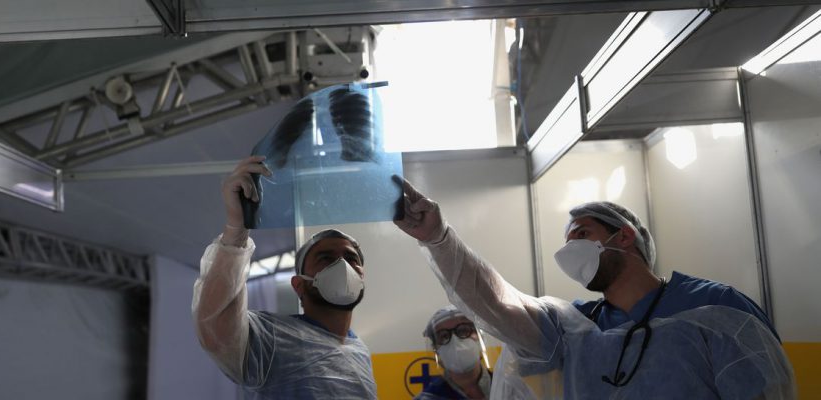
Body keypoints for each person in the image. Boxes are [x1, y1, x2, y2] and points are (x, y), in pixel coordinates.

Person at [393, 176, 795, 399]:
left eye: (581, 234)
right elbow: (494, 301)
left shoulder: (715, 307)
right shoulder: (574, 328)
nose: (570, 250)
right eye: (566, 241)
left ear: (623, 236)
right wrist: (438, 238)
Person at [192, 156, 377, 399]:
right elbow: (215, 324)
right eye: (325, 258)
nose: (343, 265)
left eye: (352, 258)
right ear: (299, 285)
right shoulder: (270, 339)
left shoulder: (359, 351)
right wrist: (237, 229)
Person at [416, 305, 492, 400]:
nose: (455, 341)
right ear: (436, 349)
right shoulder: (427, 398)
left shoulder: (510, 386)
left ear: (480, 337)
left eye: (464, 330)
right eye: (444, 336)